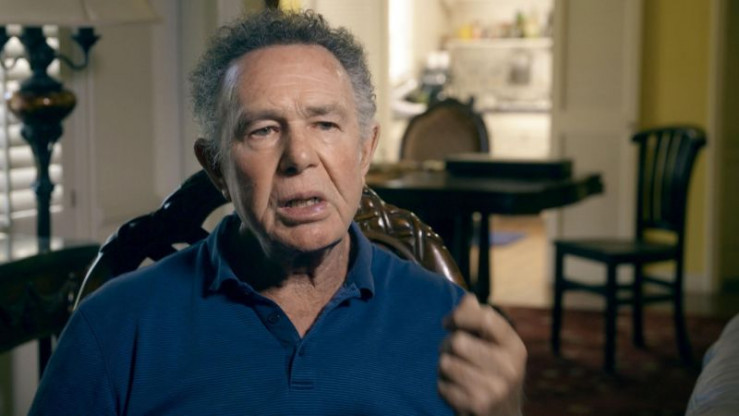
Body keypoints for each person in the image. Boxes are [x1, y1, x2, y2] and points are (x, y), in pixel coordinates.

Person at [29, 9, 526, 415]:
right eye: (263, 130)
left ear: (365, 151)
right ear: (216, 167)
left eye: (325, 124)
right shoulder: (113, 328)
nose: (299, 156)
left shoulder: (448, 323)